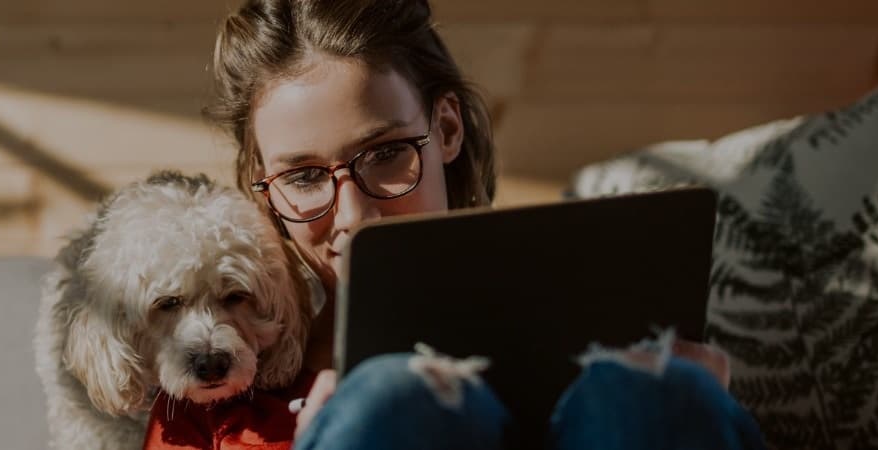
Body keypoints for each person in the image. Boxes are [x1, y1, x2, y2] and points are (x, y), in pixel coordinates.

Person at [205, 0, 768, 448]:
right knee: (395, 398)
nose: (355, 216)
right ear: (263, 183)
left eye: (386, 154)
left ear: (447, 128)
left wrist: (696, 410)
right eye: (303, 176)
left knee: (649, 394)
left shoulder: (613, 361)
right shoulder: (217, 387)